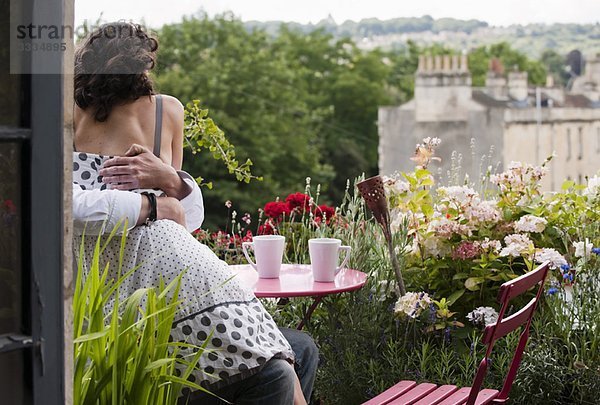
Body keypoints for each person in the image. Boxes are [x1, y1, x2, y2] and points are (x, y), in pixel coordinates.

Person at [72, 22, 317, 404]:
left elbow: (185, 216)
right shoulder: (79, 115)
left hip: (175, 279)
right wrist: (154, 204)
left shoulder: (159, 111)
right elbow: (167, 217)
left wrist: (171, 180)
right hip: (148, 290)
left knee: (295, 353)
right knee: (280, 367)